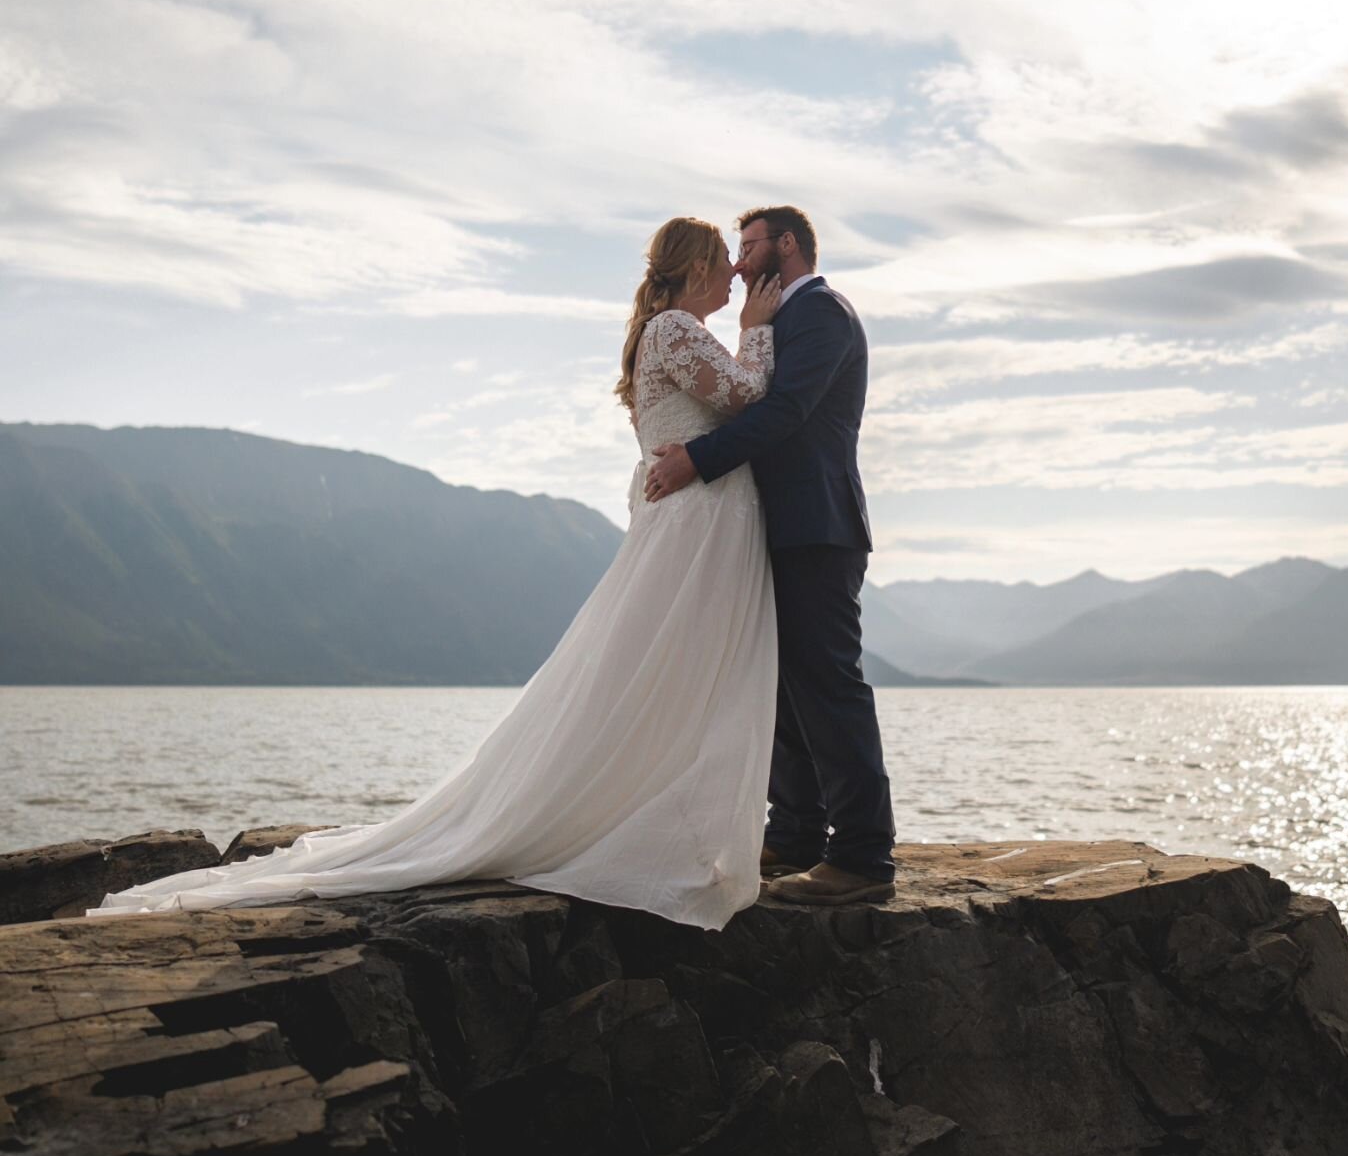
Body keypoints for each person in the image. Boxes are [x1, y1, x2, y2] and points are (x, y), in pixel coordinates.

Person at [87, 217, 785, 931]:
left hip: (701, 524)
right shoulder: (675, 328)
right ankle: (640, 829)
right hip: (698, 529)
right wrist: (759, 328)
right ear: (696, 266)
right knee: (677, 673)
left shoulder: (665, 330)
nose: (735, 273)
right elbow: (746, 398)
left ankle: (664, 823)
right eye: (725, 259)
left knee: (677, 676)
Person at [644, 206, 896, 906]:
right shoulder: (776, 320)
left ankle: (863, 858)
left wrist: (697, 458)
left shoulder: (820, 313)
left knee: (827, 686)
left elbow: (785, 412)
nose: (739, 264)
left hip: (817, 523)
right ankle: (794, 833)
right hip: (776, 525)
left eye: (750, 248)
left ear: (788, 245)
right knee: (780, 684)